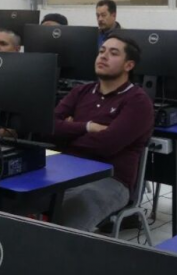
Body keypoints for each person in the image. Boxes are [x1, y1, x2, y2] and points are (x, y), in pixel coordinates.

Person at [50, 34, 153, 232]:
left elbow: (106, 145)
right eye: (101, 51)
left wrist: (66, 136)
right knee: (24, 196)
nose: (103, 56)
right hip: (66, 169)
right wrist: (86, 127)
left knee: (71, 210)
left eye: (113, 53)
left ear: (129, 65)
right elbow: (48, 128)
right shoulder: (81, 91)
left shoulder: (138, 101)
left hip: (110, 180)